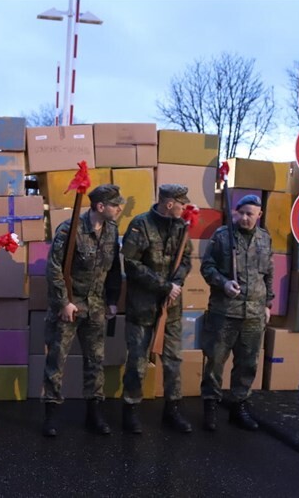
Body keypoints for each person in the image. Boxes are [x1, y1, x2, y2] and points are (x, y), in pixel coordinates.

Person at [41, 184, 124, 437]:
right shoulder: (69, 230)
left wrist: (112, 300)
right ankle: (51, 413)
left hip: (96, 305)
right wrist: (63, 302)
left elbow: (113, 268)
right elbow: (54, 268)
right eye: (115, 205)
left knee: (95, 360)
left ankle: (94, 412)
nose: (119, 208)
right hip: (70, 305)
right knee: (57, 359)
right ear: (100, 206)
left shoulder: (112, 230)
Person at [120, 184, 193, 434]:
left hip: (170, 309)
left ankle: (172, 410)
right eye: (181, 203)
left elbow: (186, 260)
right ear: (169, 204)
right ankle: (131, 409)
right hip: (142, 307)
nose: (184, 207)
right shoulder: (141, 225)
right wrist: (164, 286)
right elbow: (130, 263)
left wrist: (176, 284)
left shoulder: (182, 227)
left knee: (173, 361)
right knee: (137, 362)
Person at [200, 194, 273, 431]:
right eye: (240, 213)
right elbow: (207, 267)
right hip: (224, 312)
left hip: (253, 313)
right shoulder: (223, 236)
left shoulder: (264, 239)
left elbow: (269, 274)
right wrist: (223, 283)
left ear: (259, 215)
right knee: (215, 361)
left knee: (247, 363)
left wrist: (268, 304)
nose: (244, 218)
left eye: (249, 214)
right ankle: (210, 406)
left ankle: (239, 407)